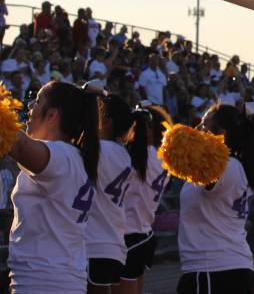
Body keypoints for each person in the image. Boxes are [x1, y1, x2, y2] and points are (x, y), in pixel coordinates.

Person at [6, 81, 100, 293]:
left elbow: (19, 146)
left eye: (37, 101)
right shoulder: (75, 157)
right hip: (60, 280)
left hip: (44, 282)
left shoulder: (60, 155)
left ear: (52, 115)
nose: (30, 106)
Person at [177, 104, 254, 294]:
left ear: (220, 134)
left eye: (204, 126)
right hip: (230, 267)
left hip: (212, 270)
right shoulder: (236, 166)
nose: (197, 130)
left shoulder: (223, 166)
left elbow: (210, 180)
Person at [85, 92, 143, 294]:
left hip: (94, 244)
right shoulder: (123, 153)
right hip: (113, 243)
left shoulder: (99, 150)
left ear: (106, 122)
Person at [115, 105, 171, 294]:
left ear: (151, 129)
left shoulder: (140, 156)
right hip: (143, 232)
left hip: (129, 235)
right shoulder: (164, 158)